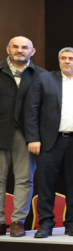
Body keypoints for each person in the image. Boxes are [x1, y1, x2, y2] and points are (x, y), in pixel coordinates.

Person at [23, 48, 73, 238]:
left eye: (71, 58)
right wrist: (33, 138)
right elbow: (31, 109)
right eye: (63, 58)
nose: (67, 61)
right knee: (46, 185)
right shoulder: (44, 78)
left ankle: (72, 224)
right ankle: (45, 224)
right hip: (48, 142)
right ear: (59, 61)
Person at [0, 36, 45, 237]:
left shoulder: (41, 75)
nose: (20, 50)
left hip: (27, 135)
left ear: (32, 51)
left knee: (24, 179)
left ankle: (18, 221)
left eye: (25, 47)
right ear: (8, 49)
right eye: (16, 47)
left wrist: (37, 136)